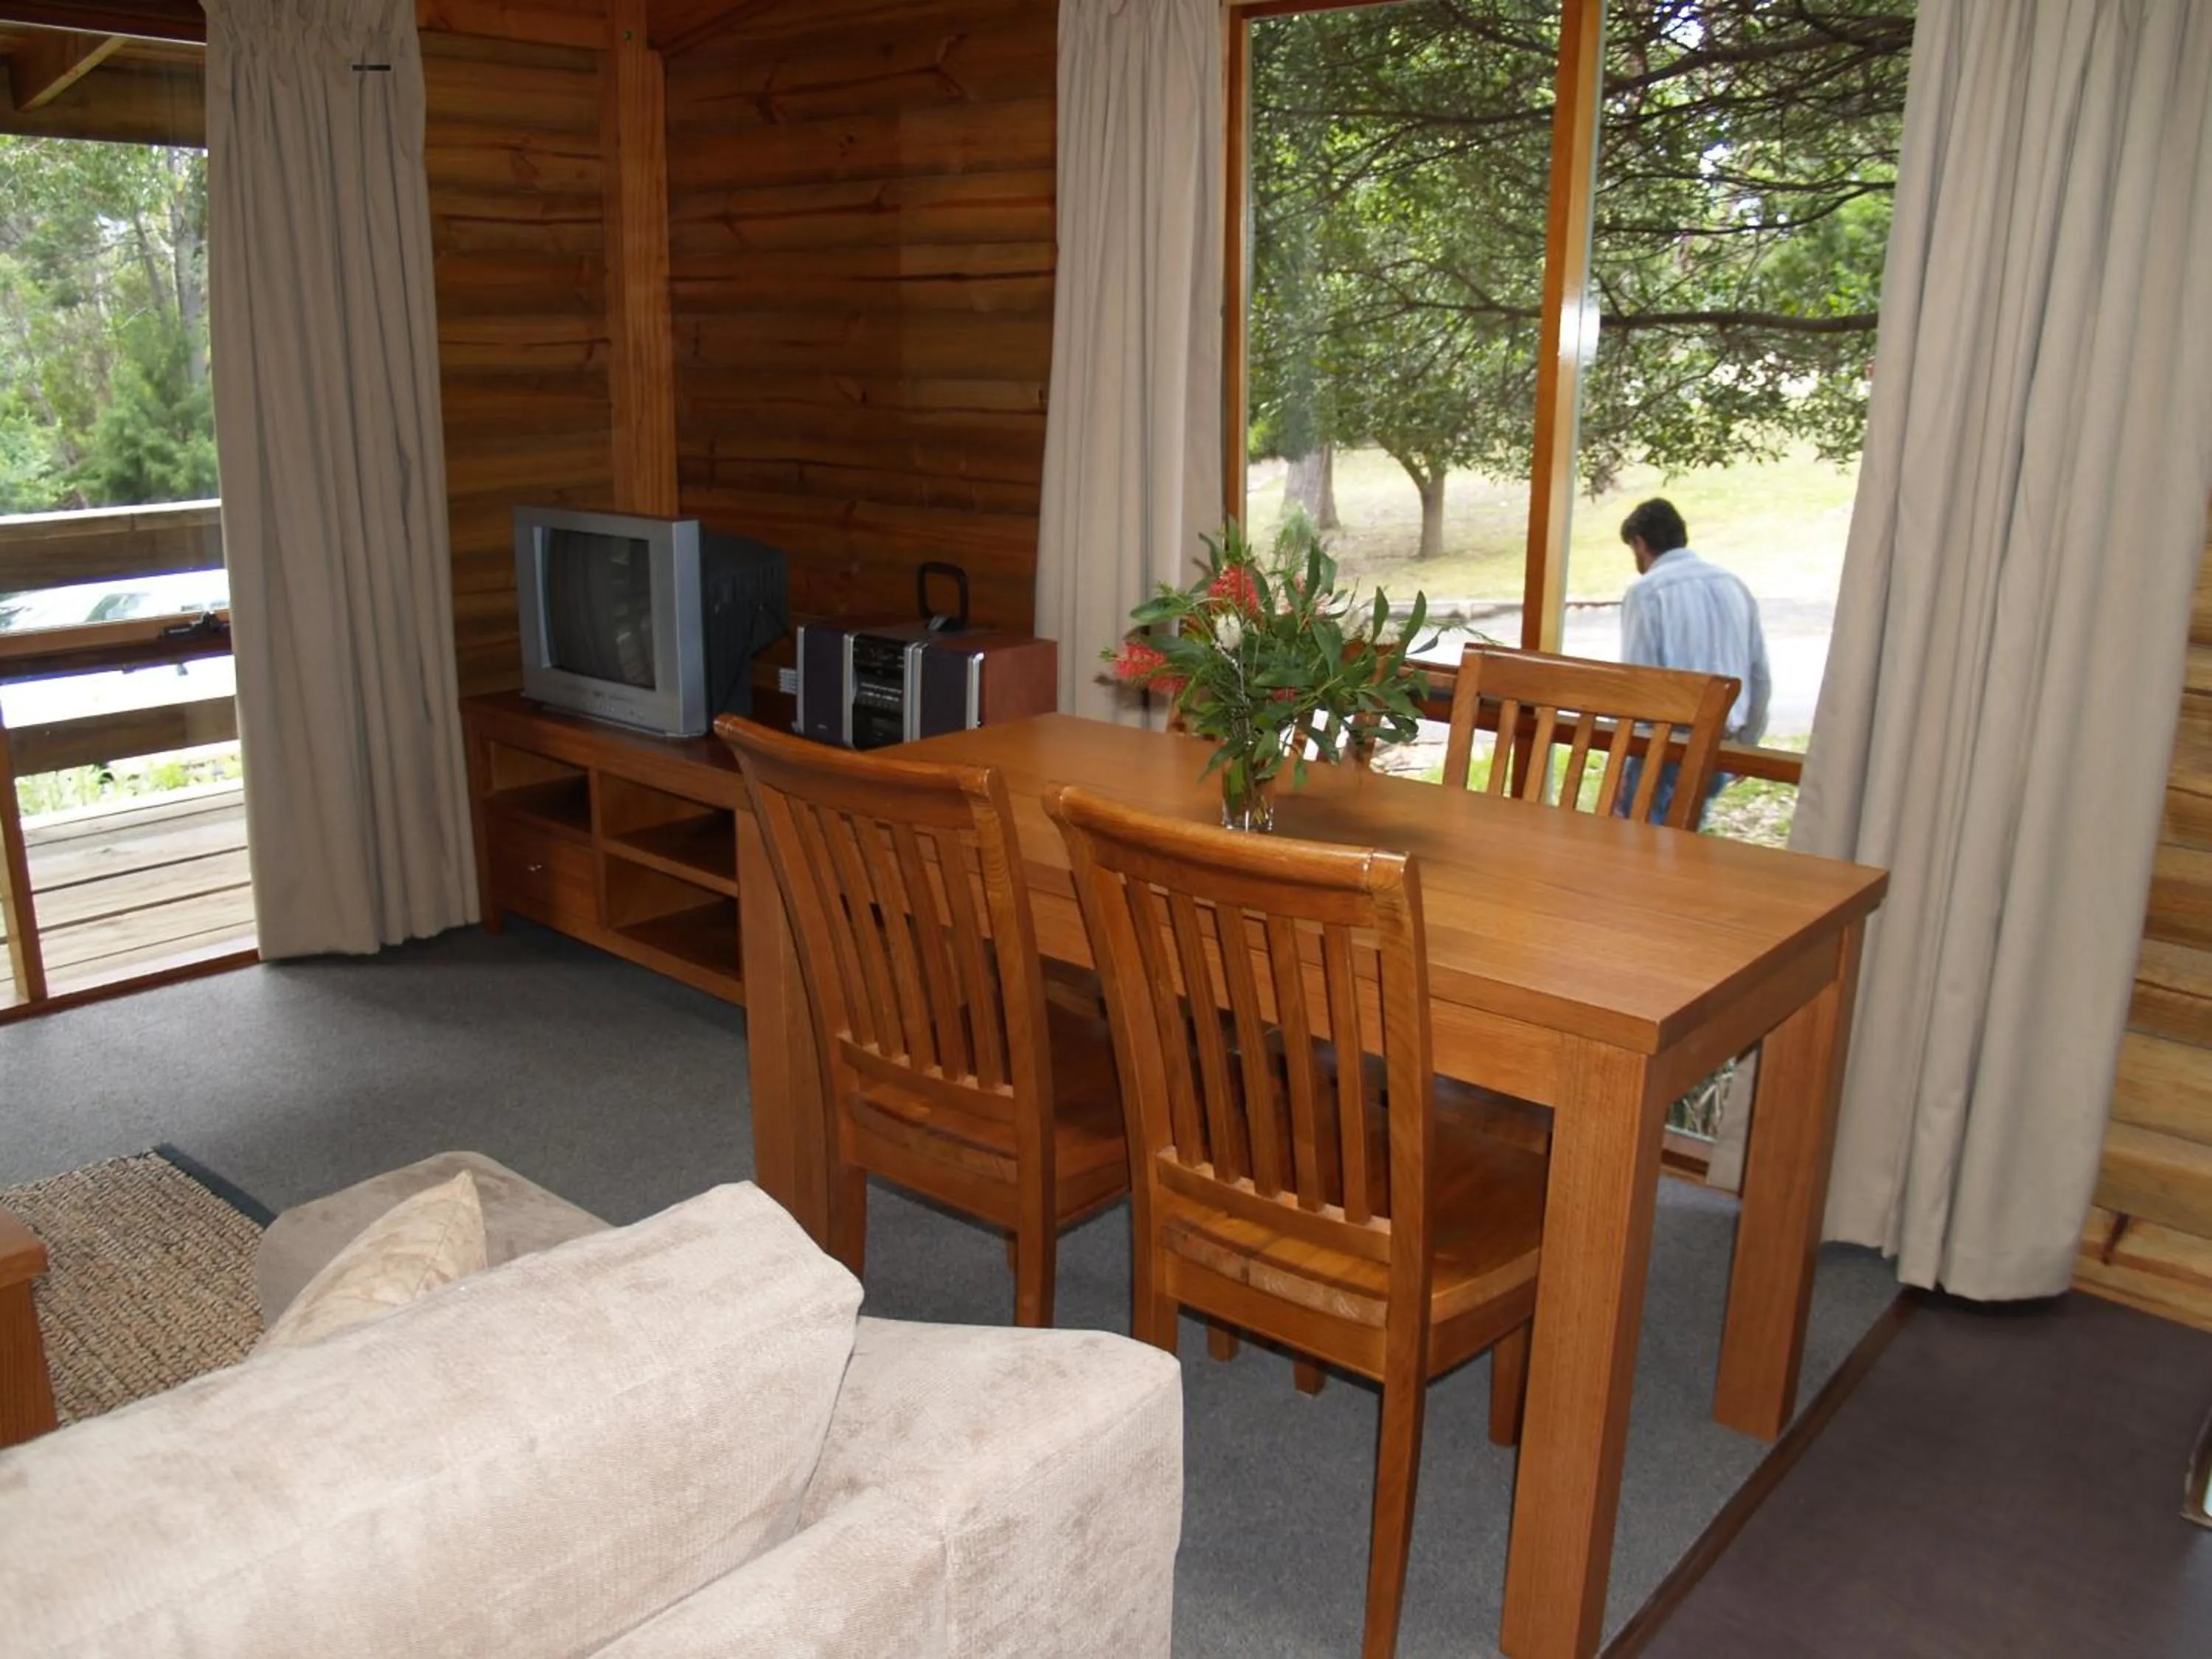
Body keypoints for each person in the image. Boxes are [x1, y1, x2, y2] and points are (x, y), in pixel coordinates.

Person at [1615, 498, 1770, 827]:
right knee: (1686, 841)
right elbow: (1759, 674)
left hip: (1666, 743)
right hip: (1721, 740)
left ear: (1640, 543)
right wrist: (1748, 745)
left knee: (1636, 845)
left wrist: (1626, 758)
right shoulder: (1733, 585)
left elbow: (1639, 683)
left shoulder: (1647, 592)